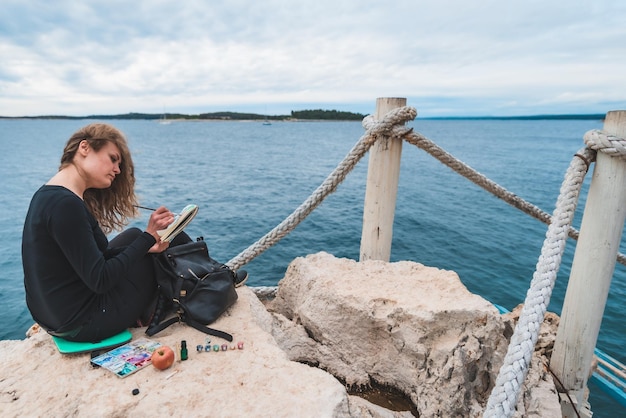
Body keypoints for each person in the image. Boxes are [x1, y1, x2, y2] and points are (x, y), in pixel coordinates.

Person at [22, 123, 246, 343]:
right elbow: (101, 279)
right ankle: (217, 280)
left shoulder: (49, 195)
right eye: (112, 158)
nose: (117, 170)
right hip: (85, 323)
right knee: (166, 237)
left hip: (56, 319)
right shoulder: (66, 205)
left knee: (135, 236)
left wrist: (146, 243)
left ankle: (211, 276)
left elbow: (91, 262)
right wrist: (148, 239)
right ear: (85, 148)